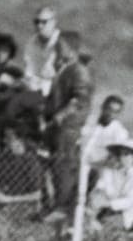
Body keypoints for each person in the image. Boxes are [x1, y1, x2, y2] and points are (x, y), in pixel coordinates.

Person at [42, 31, 93, 221]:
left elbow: (80, 99)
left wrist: (61, 115)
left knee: (65, 163)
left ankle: (62, 206)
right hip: (57, 126)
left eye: (60, 46)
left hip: (69, 127)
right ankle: (54, 203)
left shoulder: (78, 71)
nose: (57, 49)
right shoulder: (65, 70)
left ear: (70, 49)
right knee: (55, 163)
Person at [87, 139, 133, 230]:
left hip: (127, 214)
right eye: (120, 154)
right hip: (107, 209)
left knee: (105, 225)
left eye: (127, 154)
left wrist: (107, 203)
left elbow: (129, 201)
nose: (123, 158)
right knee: (89, 216)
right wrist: (97, 194)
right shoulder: (110, 171)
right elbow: (101, 186)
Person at [83, 95, 128, 170]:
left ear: (119, 114)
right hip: (77, 165)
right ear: (102, 107)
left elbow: (116, 160)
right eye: (109, 109)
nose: (111, 114)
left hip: (100, 170)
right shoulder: (88, 120)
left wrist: (92, 165)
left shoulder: (120, 133)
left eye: (115, 112)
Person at [24, 7, 60, 97]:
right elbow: (29, 74)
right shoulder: (31, 44)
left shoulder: (62, 42)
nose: (39, 26)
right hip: (35, 91)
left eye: (44, 22)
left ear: (54, 23)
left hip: (57, 94)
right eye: (36, 22)